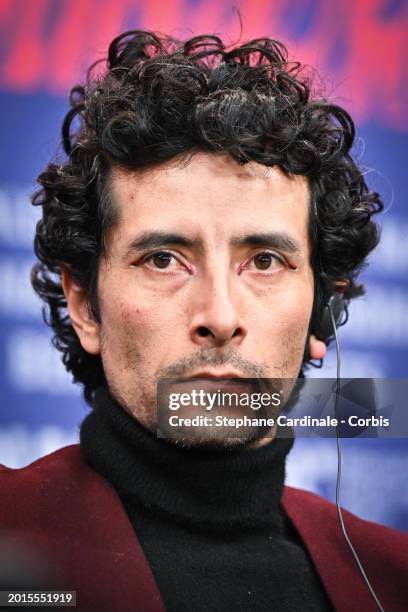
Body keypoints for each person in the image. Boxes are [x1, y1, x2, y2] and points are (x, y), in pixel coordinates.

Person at [0, 30, 407, 612]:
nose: (219, 316)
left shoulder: (393, 580)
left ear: (323, 313)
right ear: (86, 306)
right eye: (164, 260)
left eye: (264, 261)